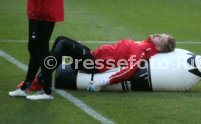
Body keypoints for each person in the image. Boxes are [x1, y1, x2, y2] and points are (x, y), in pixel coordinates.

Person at [9, 33, 176, 100]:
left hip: (93, 64)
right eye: (161, 34)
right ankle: (39, 81)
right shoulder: (144, 45)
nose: (158, 35)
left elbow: (128, 70)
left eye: (161, 38)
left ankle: (44, 89)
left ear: (159, 48)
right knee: (60, 40)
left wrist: (103, 82)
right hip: (93, 57)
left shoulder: (144, 51)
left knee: (63, 44)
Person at [9, 0, 64, 99]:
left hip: (45, 10)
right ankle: (25, 87)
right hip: (35, 9)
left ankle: (46, 90)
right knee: (33, 47)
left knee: (41, 48)